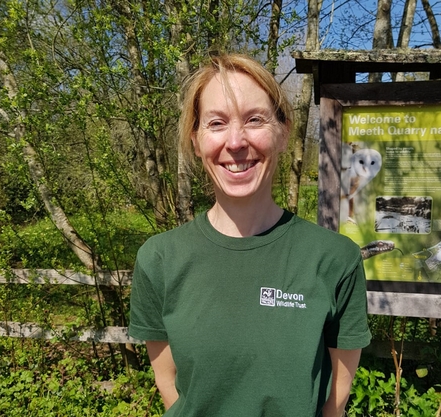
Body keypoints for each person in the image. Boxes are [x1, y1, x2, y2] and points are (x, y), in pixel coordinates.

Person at [129, 53, 371, 417]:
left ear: (283, 132)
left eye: (254, 119)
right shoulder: (159, 260)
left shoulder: (336, 259)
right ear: (196, 141)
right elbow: (170, 383)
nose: (236, 141)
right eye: (216, 123)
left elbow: (336, 393)